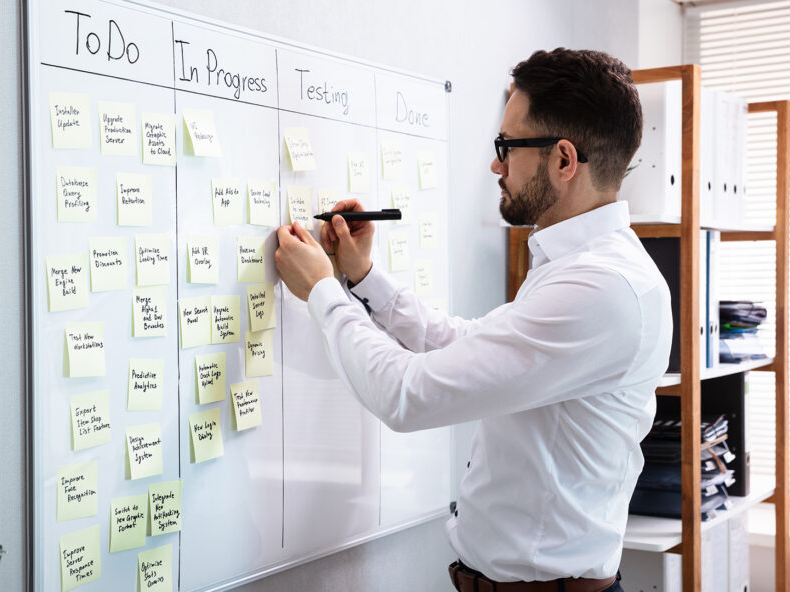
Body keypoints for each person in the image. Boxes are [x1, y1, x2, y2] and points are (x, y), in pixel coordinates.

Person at [275, 48, 671, 592]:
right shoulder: (582, 266)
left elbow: (407, 394)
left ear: (563, 160)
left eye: (506, 147)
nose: (495, 165)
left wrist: (322, 290)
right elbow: (467, 343)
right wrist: (363, 277)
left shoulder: (601, 289)